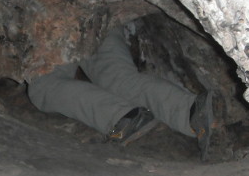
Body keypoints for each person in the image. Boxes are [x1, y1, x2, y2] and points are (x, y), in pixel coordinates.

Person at [28, 22, 213, 160]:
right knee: (118, 77)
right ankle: (192, 111)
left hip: (50, 23)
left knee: (43, 86)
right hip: (96, 14)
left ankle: (123, 118)